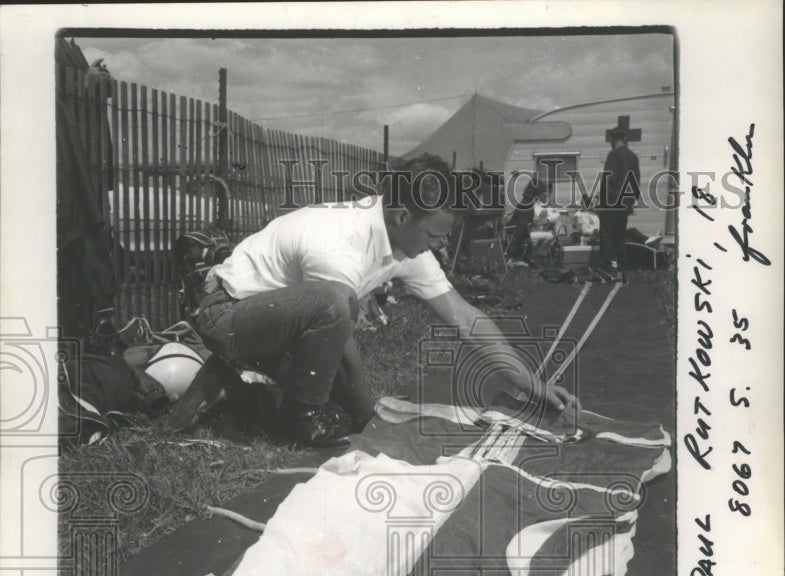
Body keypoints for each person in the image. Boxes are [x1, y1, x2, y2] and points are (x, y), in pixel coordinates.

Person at [179, 156, 579, 447]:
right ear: (403, 216)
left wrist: (530, 383)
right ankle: (297, 420)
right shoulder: (340, 244)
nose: (439, 247)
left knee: (347, 401)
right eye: (435, 236)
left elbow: (465, 316)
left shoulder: (405, 238)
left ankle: (232, 387)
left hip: (276, 321)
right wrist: (364, 409)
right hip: (228, 315)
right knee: (338, 316)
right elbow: (337, 327)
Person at [598, 127, 641, 278]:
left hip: (612, 202)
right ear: (625, 139)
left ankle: (608, 266)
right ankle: (623, 266)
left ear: (612, 140)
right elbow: (637, 182)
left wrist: (603, 201)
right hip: (626, 203)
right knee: (620, 235)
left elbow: (609, 179)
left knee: (607, 234)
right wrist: (630, 202)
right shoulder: (633, 156)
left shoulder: (613, 155)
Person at [505, 173, 549, 264]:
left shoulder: (526, 202)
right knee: (549, 236)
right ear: (536, 193)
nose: (545, 196)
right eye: (543, 194)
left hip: (519, 232)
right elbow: (521, 227)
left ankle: (529, 255)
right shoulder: (527, 205)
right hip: (520, 234)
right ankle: (534, 256)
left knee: (547, 234)